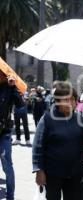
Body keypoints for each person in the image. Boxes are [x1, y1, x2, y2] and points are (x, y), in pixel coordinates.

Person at [32, 82, 83, 200]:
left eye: (72, 99)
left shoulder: (80, 118)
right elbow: (38, 145)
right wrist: (39, 170)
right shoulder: (47, 118)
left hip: (77, 172)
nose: (69, 103)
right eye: (65, 100)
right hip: (53, 173)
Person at [0, 69, 23, 200]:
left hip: (4, 133)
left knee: (7, 165)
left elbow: (21, 104)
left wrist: (13, 86)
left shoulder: (9, 88)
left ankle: (10, 196)